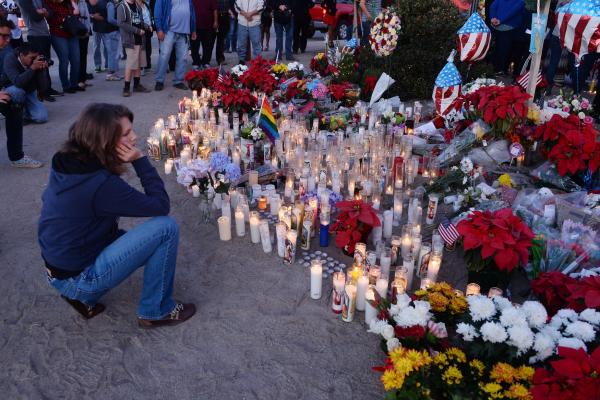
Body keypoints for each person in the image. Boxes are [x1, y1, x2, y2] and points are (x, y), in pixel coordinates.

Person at [38, 103, 196, 326]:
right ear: (104, 140)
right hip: (76, 276)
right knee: (165, 229)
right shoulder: (100, 185)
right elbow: (160, 205)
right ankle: (156, 310)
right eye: (126, 133)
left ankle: (82, 297)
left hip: (58, 267)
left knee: (137, 236)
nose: (135, 137)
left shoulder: (67, 160)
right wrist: (140, 159)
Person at [0, 17, 43, 167]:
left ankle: (17, 157)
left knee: (14, 107)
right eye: (3, 36)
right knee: (14, 94)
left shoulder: (4, 50)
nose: (7, 40)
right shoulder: (9, 57)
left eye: (9, 36)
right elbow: (17, 82)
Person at [16, 0, 60, 100]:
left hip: (45, 34)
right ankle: (43, 92)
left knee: (46, 63)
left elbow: (50, 13)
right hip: (34, 35)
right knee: (39, 64)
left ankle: (47, 88)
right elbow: (35, 17)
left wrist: (42, 12)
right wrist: (42, 12)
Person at [153, 0, 197, 90]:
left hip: (184, 32)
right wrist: (159, 29)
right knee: (164, 56)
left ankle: (178, 81)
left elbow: (192, 13)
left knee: (183, 58)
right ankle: (159, 81)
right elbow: (157, 12)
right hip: (169, 31)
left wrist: (193, 29)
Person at [2, 44, 49, 123]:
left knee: (42, 117)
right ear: (21, 55)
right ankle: (19, 113)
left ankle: (25, 111)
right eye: (32, 58)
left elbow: (44, 87)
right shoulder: (10, 59)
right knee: (17, 91)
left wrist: (43, 71)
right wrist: (32, 68)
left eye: (35, 57)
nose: (34, 60)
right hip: (12, 88)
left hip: (29, 90)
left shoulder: (36, 62)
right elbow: (17, 82)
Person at [44, 0, 82, 93]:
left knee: (76, 60)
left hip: (72, 32)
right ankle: (66, 86)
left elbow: (76, 13)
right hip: (58, 33)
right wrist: (63, 19)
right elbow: (50, 17)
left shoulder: (67, 2)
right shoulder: (48, 2)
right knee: (64, 60)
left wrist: (72, 3)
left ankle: (74, 84)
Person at [116, 0, 151, 96]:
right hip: (130, 40)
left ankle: (137, 85)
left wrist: (147, 26)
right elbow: (121, 23)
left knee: (138, 63)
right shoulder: (122, 6)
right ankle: (126, 88)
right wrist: (137, 30)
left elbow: (140, 21)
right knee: (131, 64)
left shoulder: (137, 4)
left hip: (140, 39)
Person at [489, 0, 525, 75]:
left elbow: (493, 6)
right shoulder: (521, 1)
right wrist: (500, 20)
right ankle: (500, 69)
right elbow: (513, 11)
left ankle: (492, 68)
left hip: (496, 25)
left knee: (495, 48)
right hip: (509, 27)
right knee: (504, 50)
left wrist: (493, 17)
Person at [191, 0, 217, 69]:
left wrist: (216, 21)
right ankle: (196, 62)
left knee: (208, 46)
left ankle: (206, 62)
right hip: (194, 27)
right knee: (194, 45)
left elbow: (215, 9)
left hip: (208, 26)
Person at [106, 0, 124, 80]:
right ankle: (111, 74)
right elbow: (110, 19)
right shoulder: (110, 4)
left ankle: (114, 73)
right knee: (113, 53)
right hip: (112, 32)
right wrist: (120, 24)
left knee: (115, 53)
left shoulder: (114, 4)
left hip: (114, 31)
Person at [77, 0, 92, 89]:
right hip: (77, 33)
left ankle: (82, 79)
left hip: (85, 33)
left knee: (83, 56)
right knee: (77, 58)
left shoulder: (83, 2)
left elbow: (87, 17)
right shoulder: (71, 3)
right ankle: (78, 80)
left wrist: (87, 30)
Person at [214, 0, 231, 64]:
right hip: (217, 15)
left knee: (221, 39)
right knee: (218, 40)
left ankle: (220, 58)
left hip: (225, 16)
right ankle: (218, 59)